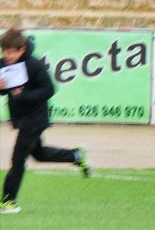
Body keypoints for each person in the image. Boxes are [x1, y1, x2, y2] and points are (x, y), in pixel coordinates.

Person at [0, 29, 90, 214]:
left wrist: (24, 96)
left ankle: (9, 201)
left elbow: (48, 90)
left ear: (22, 49)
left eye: (11, 52)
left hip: (35, 119)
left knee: (18, 159)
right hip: (21, 118)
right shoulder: (3, 64)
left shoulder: (34, 65)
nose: (7, 56)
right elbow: (4, 90)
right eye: (4, 51)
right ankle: (75, 156)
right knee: (38, 154)